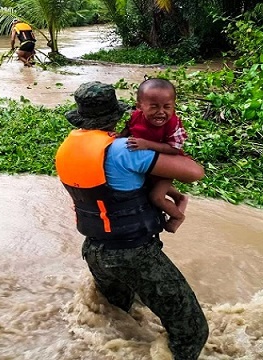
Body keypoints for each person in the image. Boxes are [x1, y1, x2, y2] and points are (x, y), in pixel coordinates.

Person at [55, 82, 208, 360]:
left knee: (117, 319)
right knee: (192, 332)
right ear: (116, 115)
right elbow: (195, 172)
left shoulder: (67, 148)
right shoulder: (124, 149)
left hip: (95, 251)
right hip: (134, 253)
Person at [119, 78, 189, 233]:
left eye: (167, 107)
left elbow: (174, 149)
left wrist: (146, 144)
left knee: (156, 197)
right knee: (149, 185)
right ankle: (180, 197)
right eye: (154, 107)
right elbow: (127, 131)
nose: (161, 112)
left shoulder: (174, 124)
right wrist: (117, 138)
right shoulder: (134, 116)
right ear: (139, 106)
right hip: (149, 163)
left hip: (169, 163)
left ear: (174, 107)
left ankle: (177, 216)